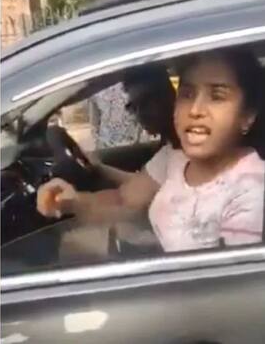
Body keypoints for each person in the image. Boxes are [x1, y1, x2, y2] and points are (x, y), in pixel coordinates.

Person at [38, 47, 265, 252]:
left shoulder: (251, 187)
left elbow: (234, 284)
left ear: (247, 116)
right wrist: (71, 201)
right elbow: (123, 201)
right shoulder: (174, 158)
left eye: (217, 96)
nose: (195, 109)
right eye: (187, 94)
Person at [88, 64, 180, 186]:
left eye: (146, 103)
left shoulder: (182, 145)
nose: (140, 114)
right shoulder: (167, 144)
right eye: (133, 107)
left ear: (167, 96)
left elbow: (142, 187)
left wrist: (99, 167)